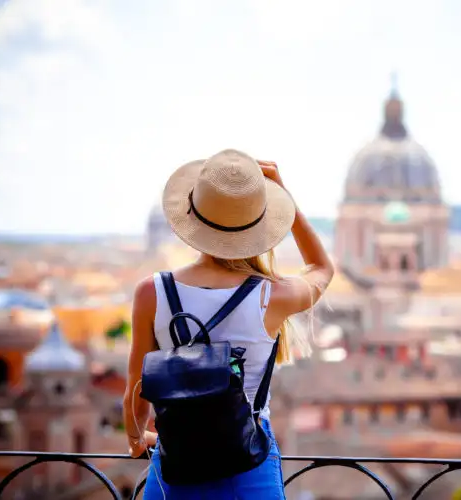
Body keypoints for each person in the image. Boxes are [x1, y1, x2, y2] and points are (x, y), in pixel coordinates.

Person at [123, 149, 334, 499]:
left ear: (194, 216)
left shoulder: (151, 292)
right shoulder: (272, 295)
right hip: (249, 467)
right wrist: (288, 204)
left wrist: (134, 440)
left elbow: (136, 388)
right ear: (263, 222)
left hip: (175, 468)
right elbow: (321, 270)